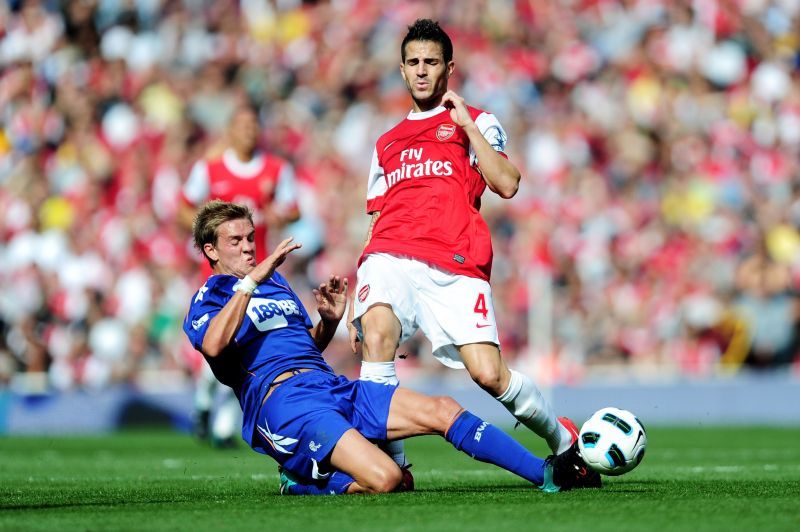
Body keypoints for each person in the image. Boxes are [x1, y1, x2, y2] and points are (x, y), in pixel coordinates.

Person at [182, 200, 600, 495]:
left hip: (327, 386)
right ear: (211, 250)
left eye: (251, 237)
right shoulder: (210, 299)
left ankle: (547, 473)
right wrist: (251, 280)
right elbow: (216, 346)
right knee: (386, 479)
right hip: (286, 407)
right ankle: (304, 484)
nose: (249, 247)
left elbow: (302, 349)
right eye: (235, 241)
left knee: (444, 411)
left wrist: (327, 322)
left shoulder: (275, 285)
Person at [348, 19, 580, 469]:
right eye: (412, 63)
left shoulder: (479, 122)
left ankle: (562, 439)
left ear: (448, 68)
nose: (421, 71)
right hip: (389, 255)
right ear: (401, 70)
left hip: (454, 261)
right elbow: (376, 217)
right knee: (377, 338)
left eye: (430, 62)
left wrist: (466, 128)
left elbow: (508, 184)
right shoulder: (386, 143)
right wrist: (362, 294)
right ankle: (395, 465)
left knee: (488, 375)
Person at [179, 105, 301, 447]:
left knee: (247, 343)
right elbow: (184, 206)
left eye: (253, 125)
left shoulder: (276, 169)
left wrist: (280, 213)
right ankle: (208, 403)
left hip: (255, 269)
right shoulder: (210, 168)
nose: (248, 131)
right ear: (230, 131)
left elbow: (294, 208)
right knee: (222, 341)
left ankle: (220, 422)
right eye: (241, 125)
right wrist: (206, 230)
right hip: (217, 273)